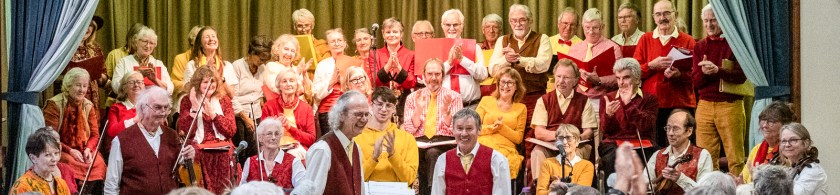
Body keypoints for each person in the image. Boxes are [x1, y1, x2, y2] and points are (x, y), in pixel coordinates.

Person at [104, 86, 197, 194]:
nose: (163, 112)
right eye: (157, 107)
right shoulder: (121, 140)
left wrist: (188, 156)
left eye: (166, 107)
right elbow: (111, 184)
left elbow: (180, 163)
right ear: (143, 108)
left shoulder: (172, 135)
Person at [692, 4, 748, 174]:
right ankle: (709, 187)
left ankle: (738, 186)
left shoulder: (736, 44)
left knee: (735, 158)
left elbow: (741, 77)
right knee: (705, 158)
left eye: (713, 20)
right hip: (704, 105)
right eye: (706, 21)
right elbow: (696, 82)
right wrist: (705, 73)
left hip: (730, 105)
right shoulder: (699, 46)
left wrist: (718, 70)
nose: (709, 25)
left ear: (723, 20)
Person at [633, 0, 697, 148]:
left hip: (680, 103)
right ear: (654, 17)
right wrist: (651, 66)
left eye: (667, 13)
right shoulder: (645, 39)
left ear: (676, 15)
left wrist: (679, 75)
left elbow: (696, 74)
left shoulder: (688, 40)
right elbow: (634, 72)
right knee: (655, 148)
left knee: (682, 147)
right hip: (652, 104)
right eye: (658, 14)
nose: (662, 18)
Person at [488, 4, 552, 142]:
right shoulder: (502, 40)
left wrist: (519, 59)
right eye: (514, 20)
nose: (517, 24)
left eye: (522, 20)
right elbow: (492, 69)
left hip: (534, 97)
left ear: (530, 20)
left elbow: (543, 65)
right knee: (507, 135)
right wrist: (506, 60)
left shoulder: (542, 38)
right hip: (508, 99)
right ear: (510, 22)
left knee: (530, 138)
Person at [403, 58, 463, 195]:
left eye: (437, 74)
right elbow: (409, 130)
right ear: (423, 76)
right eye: (430, 74)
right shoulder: (412, 98)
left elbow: (457, 131)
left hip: (444, 142)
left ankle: (431, 192)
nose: (433, 78)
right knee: (410, 154)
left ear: (443, 75)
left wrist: (446, 114)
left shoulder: (454, 97)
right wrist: (418, 110)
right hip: (419, 142)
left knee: (432, 153)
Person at [530, 59, 597, 180]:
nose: (561, 81)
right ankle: (542, 188)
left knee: (574, 154)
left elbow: (588, 132)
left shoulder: (584, 101)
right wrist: (562, 137)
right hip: (550, 145)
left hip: (576, 146)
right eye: (558, 76)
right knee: (537, 152)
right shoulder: (543, 100)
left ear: (575, 80)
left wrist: (574, 140)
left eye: (566, 77)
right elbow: (539, 132)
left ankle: (570, 187)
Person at [42, 67, 107, 191]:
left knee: (97, 162)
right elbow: (49, 137)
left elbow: (95, 135)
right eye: (78, 85)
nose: (82, 90)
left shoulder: (88, 105)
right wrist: (70, 150)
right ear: (68, 86)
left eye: (85, 86)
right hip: (60, 148)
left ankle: (87, 191)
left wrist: (88, 149)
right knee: (68, 162)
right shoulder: (54, 104)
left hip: (83, 148)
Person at [292, 90, 369, 195]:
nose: (364, 119)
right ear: (341, 115)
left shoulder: (356, 148)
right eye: (358, 114)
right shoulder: (323, 149)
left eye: (366, 114)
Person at [176, 65, 238, 194]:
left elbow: (231, 130)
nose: (210, 85)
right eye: (205, 82)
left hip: (222, 145)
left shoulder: (224, 100)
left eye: (212, 81)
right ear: (198, 83)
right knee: (195, 154)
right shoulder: (187, 101)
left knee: (228, 154)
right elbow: (185, 131)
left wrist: (213, 114)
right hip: (198, 145)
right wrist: (194, 107)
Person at [598, 58, 658, 178]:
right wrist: (608, 115)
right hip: (614, 143)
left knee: (656, 155)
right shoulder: (608, 98)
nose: (621, 83)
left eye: (626, 77)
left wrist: (629, 104)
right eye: (618, 78)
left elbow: (646, 126)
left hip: (642, 142)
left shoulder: (650, 99)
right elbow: (606, 131)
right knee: (613, 156)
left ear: (637, 79)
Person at [431, 108, 511, 195]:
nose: (464, 133)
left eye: (469, 128)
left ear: (479, 130)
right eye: (459, 128)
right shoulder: (443, 160)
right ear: (453, 130)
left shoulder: (497, 160)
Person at [354, 87, 419, 185]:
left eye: (388, 105)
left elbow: (410, 179)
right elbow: (354, 179)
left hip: (398, 191)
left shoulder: (408, 139)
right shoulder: (357, 138)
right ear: (371, 106)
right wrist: (374, 158)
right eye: (380, 104)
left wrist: (393, 155)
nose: (384, 109)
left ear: (394, 109)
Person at [568, 8, 624, 115]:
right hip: (577, 100)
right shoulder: (574, 49)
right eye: (587, 27)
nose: (590, 32)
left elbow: (620, 77)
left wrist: (599, 80)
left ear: (602, 27)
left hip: (602, 101)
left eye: (595, 28)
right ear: (582, 27)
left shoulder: (613, 48)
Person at [643, 110, 713, 194]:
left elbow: (706, 192)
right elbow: (643, 185)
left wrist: (680, 179)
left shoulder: (703, 155)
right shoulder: (657, 155)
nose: (670, 133)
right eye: (668, 128)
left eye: (675, 129)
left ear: (689, 131)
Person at [476, 67, 526, 179]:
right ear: (498, 84)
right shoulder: (486, 100)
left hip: (506, 149)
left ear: (517, 86)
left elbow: (518, 138)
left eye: (510, 83)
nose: (505, 86)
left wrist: (502, 127)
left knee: (502, 161)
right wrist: (491, 128)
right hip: (484, 144)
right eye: (503, 82)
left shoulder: (521, 108)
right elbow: (474, 128)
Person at [231, 35, 273, 164]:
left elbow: (263, 91)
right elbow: (232, 96)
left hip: (256, 114)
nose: (263, 62)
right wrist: (245, 118)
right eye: (261, 58)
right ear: (252, 53)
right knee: (242, 152)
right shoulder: (237, 66)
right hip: (239, 115)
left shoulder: (262, 68)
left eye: (265, 60)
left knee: (255, 151)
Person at [439, 9, 489, 109]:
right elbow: (427, 80)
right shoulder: (436, 47)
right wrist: (449, 63)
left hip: (470, 106)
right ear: (442, 26)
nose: (451, 28)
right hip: (444, 107)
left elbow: (483, 75)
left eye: (455, 25)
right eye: (448, 25)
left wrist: (462, 60)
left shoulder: (474, 47)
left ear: (462, 26)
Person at [315, 28, 360, 136]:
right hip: (327, 111)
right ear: (328, 46)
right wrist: (331, 82)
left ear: (344, 43)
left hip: (349, 110)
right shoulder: (322, 65)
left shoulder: (354, 63)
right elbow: (316, 93)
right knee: (331, 143)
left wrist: (343, 82)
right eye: (333, 41)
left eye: (339, 40)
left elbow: (360, 90)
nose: (337, 43)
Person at [261, 70, 317, 158]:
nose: (288, 84)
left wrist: (290, 128)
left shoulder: (306, 108)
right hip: (274, 147)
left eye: (291, 81)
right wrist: (274, 128)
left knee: (290, 156)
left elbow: (311, 139)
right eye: (284, 81)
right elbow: (262, 136)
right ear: (279, 86)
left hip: (298, 148)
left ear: (297, 84)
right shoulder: (269, 106)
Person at [240, 118, 305, 189]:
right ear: (260, 138)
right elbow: (242, 189)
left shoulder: (294, 162)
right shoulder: (250, 162)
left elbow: (303, 189)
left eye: (277, 134)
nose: (273, 137)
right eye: (269, 134)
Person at [374, 18, 418, 122]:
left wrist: (398, 67)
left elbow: (412, 82)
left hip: (404, 102)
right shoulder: (375, 54)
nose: (391, 35)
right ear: (383, 34)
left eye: (395, 32)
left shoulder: (411, 55)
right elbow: (374, 82)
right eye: (388, 32)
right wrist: (387, 66)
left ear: (401, 34)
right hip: (381, 103)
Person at [742, 101, 795, 183]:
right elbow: (744, 179)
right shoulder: (757, 149)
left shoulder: (788, 149)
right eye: (763, 120)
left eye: (771, 121)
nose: (764, 125)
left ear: (784, 124)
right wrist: (738, 182)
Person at [112, 26, 174, 95]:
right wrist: (137, 74)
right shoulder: (124, 62)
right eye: (145, 41)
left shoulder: (158, 64)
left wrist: (155, 80)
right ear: (136, 42)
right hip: (130, 101)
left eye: (151, 43)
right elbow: (115, 87)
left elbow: (170, 90)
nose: (148, 46)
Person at [536, 124, 596, 195]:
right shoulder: (548, 163)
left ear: (577, 142)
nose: (564, 142)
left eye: (569, 138)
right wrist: (552, 191)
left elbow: (581, 192)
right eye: (561, 138)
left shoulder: (586, 165)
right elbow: (539, 193)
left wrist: (560, 188)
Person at [62, 16, 106, 110]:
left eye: (90, 25)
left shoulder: (95, 49)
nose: (86, 28)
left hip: (92, 96)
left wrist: (98, 75)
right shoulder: (66, 48)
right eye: (84, 24)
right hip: (71, 94)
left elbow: (104, 78)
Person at [10, 128, 72, 195]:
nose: (54, 159)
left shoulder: (61, 184)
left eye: (56, 153)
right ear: (33, 158)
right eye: (48, 155)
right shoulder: (23, 186)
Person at [778, 123, 827, 194]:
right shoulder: (790, 169)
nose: (787, 145)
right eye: (784, 141)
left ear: (805, 143)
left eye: (793, 140)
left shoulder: (813, 170)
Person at [264, 34, 313, 102]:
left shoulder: (297, 68)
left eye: (292, 51)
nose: (289, 54)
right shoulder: (272, 66)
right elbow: (277, 89)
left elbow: (310, 92)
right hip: (281, 107)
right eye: (286, 49)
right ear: (277, 50)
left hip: (302, 106)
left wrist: (304, 73)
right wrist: (297, 73)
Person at [546, 7, 582, 93]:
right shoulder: (547, 42)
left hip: (574, 90)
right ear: (558, 24)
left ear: (577, 27)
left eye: (572, 24)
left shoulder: (583, 45)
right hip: (549, 89)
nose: (568, 27)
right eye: (565, 23)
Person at [106, 71, 145, 138]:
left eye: (139, 82)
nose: (136, 85)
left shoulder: (149, 107)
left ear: (143, 86)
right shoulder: (116, 108)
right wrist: (134, 120)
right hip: (124, 143)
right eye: (131, 82)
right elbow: (112, 132)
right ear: (124, 88)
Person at [171, 25, 205, 95]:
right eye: (198, 37)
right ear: (191, 40)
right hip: (187, 94)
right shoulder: (180, 58)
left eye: (204, 37)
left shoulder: (212, 58)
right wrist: (193, 87)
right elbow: (175, 82)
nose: (201, 40)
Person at [478, 14, 503, 96]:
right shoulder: (477, 48)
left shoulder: (505, 49)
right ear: (483, 30)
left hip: (500, 93)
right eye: (487, 27)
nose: (491, 30)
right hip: (478, 94)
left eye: (495, 27)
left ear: (500, 30)